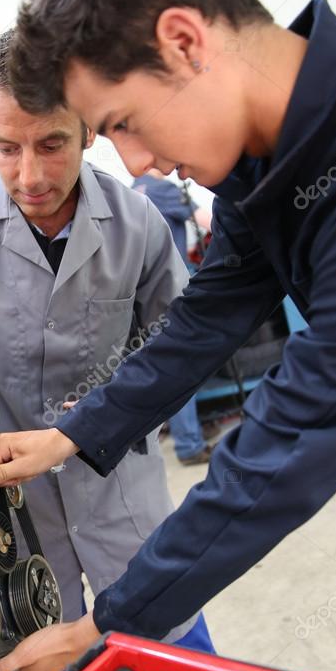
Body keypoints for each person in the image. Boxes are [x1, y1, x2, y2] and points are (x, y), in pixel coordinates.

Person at [0, 0, 336, 671]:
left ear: (184, 41)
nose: (135, 163)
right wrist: (73, 431)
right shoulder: (270, 153)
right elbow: (202, 321)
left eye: (123, 124)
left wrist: (105, 623)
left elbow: (281, 450)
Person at [0, 29, 213, 655]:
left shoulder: (138, 227)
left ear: (89, 130)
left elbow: (182, 352)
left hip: (121, 498)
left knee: (183, 670)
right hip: (15, 521)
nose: (29, 175)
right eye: (5, 147)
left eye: (52, 144)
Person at [133, 169, 211, 465]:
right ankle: (190, 444)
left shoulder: (132, 190)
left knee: (158, 363)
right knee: (180, 362)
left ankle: (173, 432)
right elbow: (208, 221)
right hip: (169, 290)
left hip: (139, 295)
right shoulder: (163, 189)